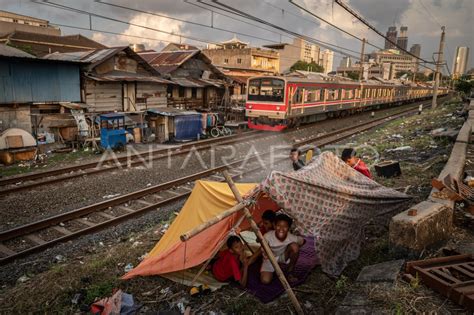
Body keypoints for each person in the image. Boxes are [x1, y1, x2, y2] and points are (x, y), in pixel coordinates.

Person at [260, 214, 305, 284]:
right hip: (269, 259)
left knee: (295, 246)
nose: (281, 229)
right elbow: (264, 252)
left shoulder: (291, 237)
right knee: (265, 280)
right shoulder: (267, 236)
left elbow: (302, 241)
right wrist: (266, 254)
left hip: (283, 256)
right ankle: (276, 268)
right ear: (274, 226)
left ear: (288, 228)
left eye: (285, 227)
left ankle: (290, 272)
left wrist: (295, 251)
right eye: (278, 226)